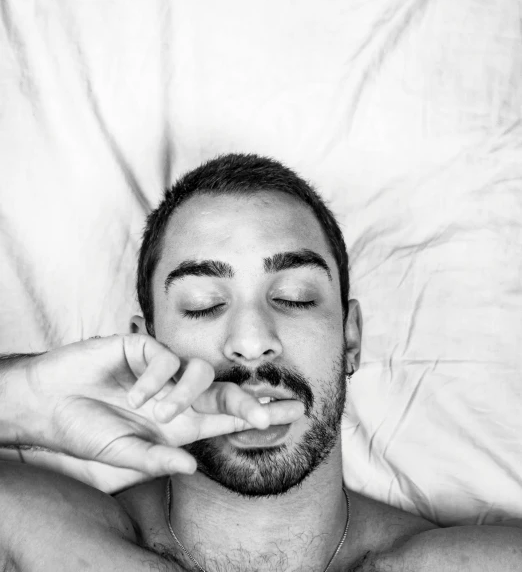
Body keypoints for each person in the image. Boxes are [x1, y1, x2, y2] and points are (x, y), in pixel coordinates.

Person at [1, 153, 521, 572]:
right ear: (145, 344)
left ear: (351, 340)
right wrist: (27, 403)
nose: (251, 342)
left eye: (295, 297)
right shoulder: (37, 536)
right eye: (203, 304)